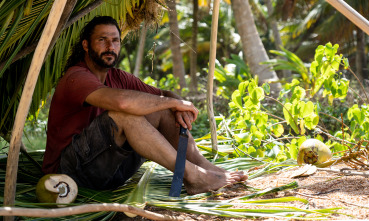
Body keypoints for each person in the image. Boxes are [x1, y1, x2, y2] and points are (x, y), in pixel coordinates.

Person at [42, 16, 247, 194]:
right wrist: (175, 102)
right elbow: (122, 102)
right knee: (126, 114)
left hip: (111, 170)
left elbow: (163, 95)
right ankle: (193, 175)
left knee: (162, 108)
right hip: (69, 175)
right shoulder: (76, 77)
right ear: (86, 45)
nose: (110, 47)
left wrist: (175, 104)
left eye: (115, 41)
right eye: (102, 40)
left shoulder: (118, 77)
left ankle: (205, 168)